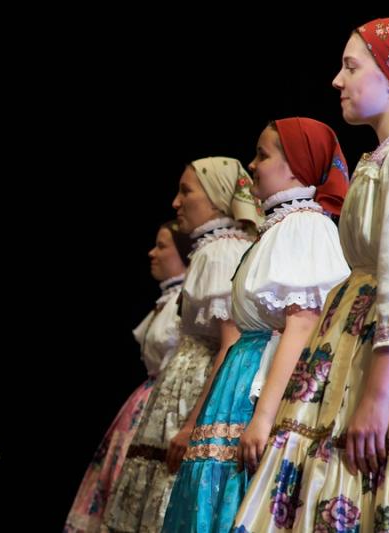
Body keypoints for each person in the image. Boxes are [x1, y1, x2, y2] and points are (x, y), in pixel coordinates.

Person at [233, 17, 389, 532]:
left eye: (351, 67)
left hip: (386, 356)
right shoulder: (380, 159)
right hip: (349, 344)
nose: (337, 80)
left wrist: (376, 396)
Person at [162, 118, 350, 532]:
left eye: (262, 155)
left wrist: (264, 418)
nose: (252, 165)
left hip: (262, 384)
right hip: (242, 377)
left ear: (295, 165)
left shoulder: (303, 226)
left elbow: (302, 323)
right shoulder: (282, 225)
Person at [104, 157, 260, 532]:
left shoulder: (220, 251)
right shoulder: (217, 247)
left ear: (217, 198)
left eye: (186, 191)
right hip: (187, 385)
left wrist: (193, 423)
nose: (176, 202)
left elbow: (229, 343)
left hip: (197, 391)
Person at [64, 220, 191, 532]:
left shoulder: (186, 302)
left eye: (162, 247)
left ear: (185, 253)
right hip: (144, 402)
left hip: (168, 405)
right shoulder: (167, 300)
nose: (152, 253)